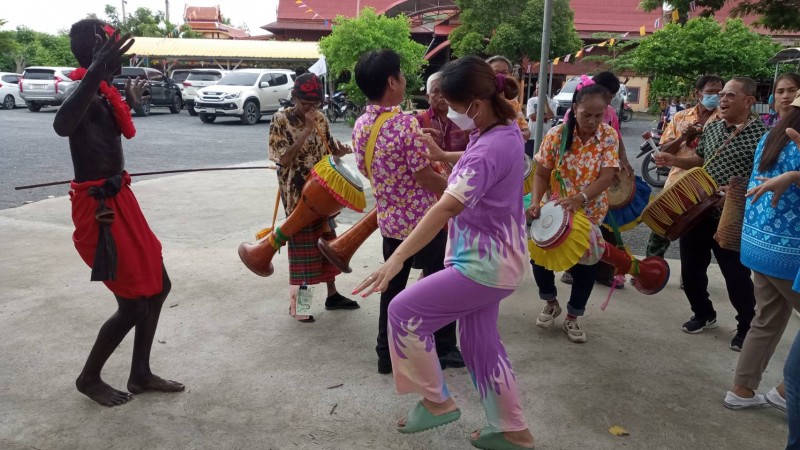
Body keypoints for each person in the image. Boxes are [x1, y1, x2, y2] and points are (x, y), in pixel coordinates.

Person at [352, 55, 535, 450]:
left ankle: (436, 401)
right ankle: (512, 428)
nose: (450, 114)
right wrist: (443, 156)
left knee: (403, 312)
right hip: (495, 258)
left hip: (483, 265)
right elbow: (474, 165)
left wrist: (397, 258)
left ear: (474, 103)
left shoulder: (490, 144)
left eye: (453, 106)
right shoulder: (501, 131)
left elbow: (447, 205)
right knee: (479, 344)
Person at [52, 19, 184, 407]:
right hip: (99, 210)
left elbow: (111, 136)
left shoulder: (104, 93)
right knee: (133, 304)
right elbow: (62, 125)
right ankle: (88, 378)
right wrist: (95, 72)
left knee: (159, 286)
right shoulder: (83, 90)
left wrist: (133, 101)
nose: (118, 55)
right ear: (93, 54)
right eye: (109, 47)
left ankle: (139, 374)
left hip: (121, 198)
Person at [351, 49, 464, 375]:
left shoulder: (362, 124)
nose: (403, 78)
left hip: (389, 221)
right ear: (391, 81)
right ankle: (444, 347)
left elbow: (366, 166)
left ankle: (385, 355)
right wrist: (453, 190)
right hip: (424, 224)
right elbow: (424, 177)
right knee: (443, 283)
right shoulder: (404, 125)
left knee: (392, 288)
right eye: (400, 73)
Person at [655, 77, 769, 350]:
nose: (723, 100)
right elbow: (702, 159)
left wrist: (734, 193)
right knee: (692, 269)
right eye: (722, 96)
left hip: (731, 216)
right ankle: (704, 313)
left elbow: (763, 177)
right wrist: (674, 160)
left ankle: (745, 325)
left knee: (735, 275)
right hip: (699, 209)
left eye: (730, 95)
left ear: (749, 101)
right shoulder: (713, 127)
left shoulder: (762, 135)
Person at [723, 97, 800, 411]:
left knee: (766, 318)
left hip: (759, 242)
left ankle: (742, 390)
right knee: (767, 318)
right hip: (789, 250)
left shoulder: (774, 134)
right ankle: (787, 391)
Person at [529, 80, 619, 343]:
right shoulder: (557, 135)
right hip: (555, 209)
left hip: (590, 212)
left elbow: (606, 177)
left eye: (598, 115)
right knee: (540, 260)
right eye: (586, 115)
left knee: (585, 266)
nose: (592, 121)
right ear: (574, 110)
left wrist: (580, 198)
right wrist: (535, 202)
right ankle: (551, 301)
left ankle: (573, 317)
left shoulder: (608, 136)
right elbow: (541, 174)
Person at [268, 73, 360, 322]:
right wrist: (306, 130)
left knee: (328, 246)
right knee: (303, 255)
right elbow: (284, 159)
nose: (311, 109)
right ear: (294, 97)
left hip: (325, 194)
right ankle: (300, 306)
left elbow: (328, 157)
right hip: (298, 197)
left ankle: (332, 296)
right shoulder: (280, 120)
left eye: (315, 104)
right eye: (306, 104)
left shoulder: (321, 118)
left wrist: (339, 154)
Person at [560, 72, 631, 289]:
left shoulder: (609, 116)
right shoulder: (567, 123)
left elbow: (616, 137)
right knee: (572, 230)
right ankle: (572, 268)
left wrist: (623, 160)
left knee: (604, 230)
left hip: (599, 185)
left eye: (610, 99)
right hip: (573, 184)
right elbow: (563, 147)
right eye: (607, 95)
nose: (592, 120)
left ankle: (605, 270)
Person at [646, 75, 724, 258]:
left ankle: (689, 276)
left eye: (719, 92)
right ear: (698, 93)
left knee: (696, 235)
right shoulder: (681, 117)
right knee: (661, 226)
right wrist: (682, 137)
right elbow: (662, 150)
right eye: (710, 92)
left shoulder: (723, 119)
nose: (715, 96)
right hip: (677, 181)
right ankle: (650, 268)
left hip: (709, 185)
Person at [414, 71, 469, 154]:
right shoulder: (418, 121)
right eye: (436, 91)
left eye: (445, 90)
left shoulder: (466, 117)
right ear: (428, 97)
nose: (442, 95)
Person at [487, 55, 532, 141]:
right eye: (496, 72)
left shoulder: (513, 103)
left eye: (504, 72)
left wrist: (518, 135)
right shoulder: (482, 101)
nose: (500, 76)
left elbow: (526, 131)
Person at [525, 81, 556, 158]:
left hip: (545, 136)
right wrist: (545, 117)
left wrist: (545, 102)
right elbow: (532, 116)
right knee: (530, 159)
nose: (538, 90)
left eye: (540, 88)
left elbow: (551, 115)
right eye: (537, 88)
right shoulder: (531, 101)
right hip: (532, 136)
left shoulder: (552, 102)